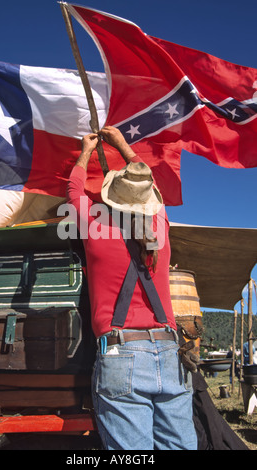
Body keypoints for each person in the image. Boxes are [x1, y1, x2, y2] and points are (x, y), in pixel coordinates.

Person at [66, 126, 197, 450]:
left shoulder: (95, 229)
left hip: (121, 352)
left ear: (110, 203)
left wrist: (85, 151)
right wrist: (124, 145)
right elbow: (150, 184)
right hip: (169, 351)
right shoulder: (160, 231)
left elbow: (74, 192)